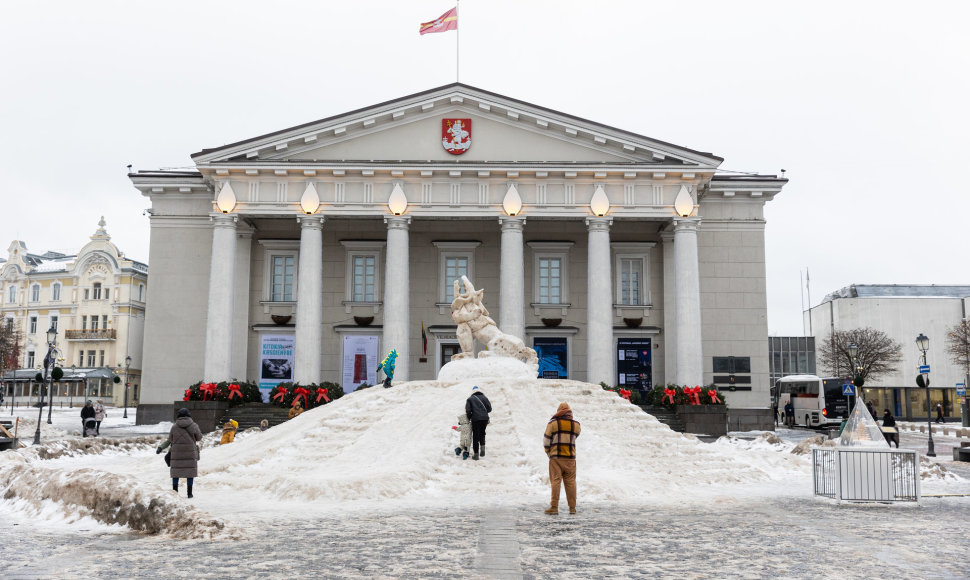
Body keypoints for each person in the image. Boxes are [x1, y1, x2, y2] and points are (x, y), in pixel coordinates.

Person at [543, 402, 581, 515]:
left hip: (556, 458)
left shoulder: (553, 424)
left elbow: (546, 440)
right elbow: (576, 436)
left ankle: (554, 507)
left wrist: (548, 451)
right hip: (570, 458)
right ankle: (572, 508)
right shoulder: (576, 425)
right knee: (571, 483)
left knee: (556, 481)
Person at [156, 407, 203, 498]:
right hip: (190, 453)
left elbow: (169, 440)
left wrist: (160, 448)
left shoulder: (174, 427)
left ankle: (175, 492)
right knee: (190, 472)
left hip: (177, 453)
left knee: (176, 472)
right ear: (188, 415)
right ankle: (189, 493)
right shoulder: (194, 425)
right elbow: (199, 438)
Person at [465, 386, 491, 460]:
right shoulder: (485, 398)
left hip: (476, 419)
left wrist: (470, 417)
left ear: (473, 391)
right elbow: (489, 409)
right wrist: (483, 412)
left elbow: (468, 410)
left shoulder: (470, 399)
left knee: (475, 436)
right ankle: (482, 449)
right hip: (485, 419)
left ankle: (476, 455)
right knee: (482, 433)